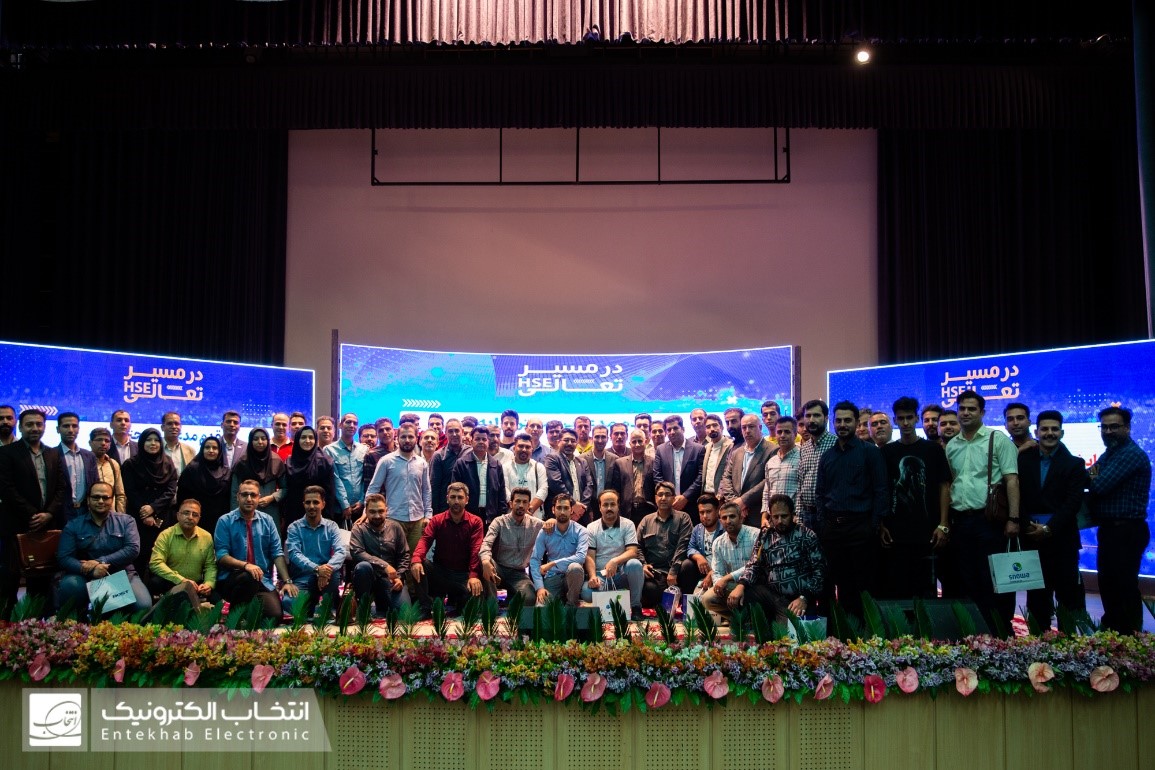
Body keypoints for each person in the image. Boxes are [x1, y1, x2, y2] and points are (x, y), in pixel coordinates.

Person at [944, 390, 1021, 632]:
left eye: (972, 409)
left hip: (989, 521)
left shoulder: (997, 439)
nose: (966, 413)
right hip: (961, 522)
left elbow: (1011, 480)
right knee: (967, 580)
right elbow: (951, 483)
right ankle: (975, 634)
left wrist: (1013, 518)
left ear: (982, 412)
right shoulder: (952, 445)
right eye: (962, 408)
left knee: (992, 581)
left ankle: (999, 633)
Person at [815, 401, 888, 619]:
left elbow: (881, 490)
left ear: (857, 422)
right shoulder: (828, 456)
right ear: (833, 422)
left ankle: (866, 633)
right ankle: (844, 633)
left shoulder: (870, 452)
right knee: (840, 584)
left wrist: (873, 525)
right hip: (832, 531)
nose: (842, 424)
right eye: (838, 420)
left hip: (861, 529)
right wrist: (823, 524)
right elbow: (820, 494)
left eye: (847, 420)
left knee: (864, 587)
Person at [1018, 410, 1088, 631]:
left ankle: (1069, 646)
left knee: (1067, 596)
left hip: (1062, 539)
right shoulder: (1022, 460)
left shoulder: (1075, 464)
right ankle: (1039, 644)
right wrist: (1027, 524)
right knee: (1037, 597)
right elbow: (1016, 496)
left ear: (1062, 433)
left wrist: (1048, 528)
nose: (1049, 433)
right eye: (1045, 429)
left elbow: (1072, 503)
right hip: (1031, 537)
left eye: (1054, 429)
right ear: (1036, 432)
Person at [878, 397, 951, 600]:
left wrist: (944, 523)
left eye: (909, 417)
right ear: (895, 420)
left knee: (926, 591)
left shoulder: (933, 449)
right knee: (898, 591)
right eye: (901, 418)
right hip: (896, 534)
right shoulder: (887, 452)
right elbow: (882, 490)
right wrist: (881, 524)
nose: (906, 423)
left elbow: (944, 486)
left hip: (928, 533)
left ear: (917, 418)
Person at [1088, 406, 1152, 634]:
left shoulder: (1129, 454)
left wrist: (1091, 476)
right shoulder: (1111, 453)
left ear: (1127, 427)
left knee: (1123, 587)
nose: (1108, 431)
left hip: (1126, 531)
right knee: (1110, 585)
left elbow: (1098, 485)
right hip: (1112, 530)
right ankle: (1116, 634)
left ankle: (1129, 636)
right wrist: (1091, 475)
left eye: (1114, 426)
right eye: (1104, 427)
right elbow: (1090, 474)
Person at [0, 408, 68, 607]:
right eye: (29, 424)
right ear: (20, 427)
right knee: (9, 580)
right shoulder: (6, 453)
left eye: (39, 424)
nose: (35, 428)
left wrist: (49, 514)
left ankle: (37, 622)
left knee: (41, 581)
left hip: (46, 526)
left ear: (45, 427)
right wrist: (34, 514)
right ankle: (8, 623)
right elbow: (7, 489)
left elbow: (62, 487)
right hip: (17, 525)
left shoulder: (53, 453)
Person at [55, 482, 152, 618]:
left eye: (105, 497)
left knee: (143, 606)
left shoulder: (127, 521)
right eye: (96, 497)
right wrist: (91, 570)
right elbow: (64, 557)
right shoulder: (74, 525)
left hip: (121, 574)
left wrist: (100, 561)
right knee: (70, 586)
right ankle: (75, 624)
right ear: (88, 500)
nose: (101, 501)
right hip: (85, 576)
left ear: (112, 500)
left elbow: (132, 549)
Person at [729, 494, 825, 622]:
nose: (779, 521)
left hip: (799, 599)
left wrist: (805, 598)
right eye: (775, 517)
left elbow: (820, 571)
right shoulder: (765, 536)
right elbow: (754, 564)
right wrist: (741, 585)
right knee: (742, 595)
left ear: (792, 515)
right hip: (772, 596)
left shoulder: (806, 535)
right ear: (770, 517)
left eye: (784, 516)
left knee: (790, 632)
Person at [215, 479, 298, 620]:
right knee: (248, 577)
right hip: (233, 579)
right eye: (244, 495)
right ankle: (235, 617)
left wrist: (287, 581)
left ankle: (248, 608)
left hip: (261, 580)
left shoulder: (268, 521)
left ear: (259, 497)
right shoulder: (225, 521)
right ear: (238, 497)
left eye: (253, 495)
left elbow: (277, 553)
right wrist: (246, 566)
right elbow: (221, 556)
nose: (249, 499)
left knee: (274, 616)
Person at [410, 482, 484, 617]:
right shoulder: (437, 520)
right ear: (447, 499)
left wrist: (473, 576)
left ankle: (457, 601)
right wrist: (416, 559)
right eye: (453, 497)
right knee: (418, 564)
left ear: (467, 500)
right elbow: (425, 540)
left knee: (469, 610)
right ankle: (425, 607)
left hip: (463, 575)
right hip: (441, 573)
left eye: (460, 497)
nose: (456, 501)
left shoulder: (476, 522)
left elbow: (476, 550)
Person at [120, 427, 179, 580]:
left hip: (162, 517)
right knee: (139, 556)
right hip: (137, 517)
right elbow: (130, 491)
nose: (153, 443)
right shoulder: (131, 464)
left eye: (156, 440)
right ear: (141, 443)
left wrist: (153, 508)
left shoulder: (167, 463)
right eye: (148, 440)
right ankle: (137, 587)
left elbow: (171, 490)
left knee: (161, 556)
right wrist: (144, 512)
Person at [367, 423, 433, 554]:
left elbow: (426, 491)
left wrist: (428, 515)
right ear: (397, 438)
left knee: (415, 559)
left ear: (417, 439)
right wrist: (366, 511)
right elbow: (373, 488)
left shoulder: (422, 463)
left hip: (418, 520)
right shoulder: (386, 461)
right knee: (393, 558)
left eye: (411, 437)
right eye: (403, 437)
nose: (407, 440)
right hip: (394, 519)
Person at [284, 485, 346, 618]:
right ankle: (312, 607)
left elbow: (341, 551)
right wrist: (317, 569)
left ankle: (327, 606)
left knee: (333, 574)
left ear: (323, 504)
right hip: (303, 580)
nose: (311, 506)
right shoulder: (294, 527)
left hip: (326, 579)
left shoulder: (332, 526)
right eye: (308, 502)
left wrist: (326, 569)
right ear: (303, 504)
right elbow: (294, 554)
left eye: (316, 502)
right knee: (288, 602)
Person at [580, 489, 645, 618]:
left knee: (635, 564)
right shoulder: (591, 527)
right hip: (601, 577)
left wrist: (615, 561)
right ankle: (609, 601)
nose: (609, 508)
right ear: (600, 507)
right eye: (605, 505)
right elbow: (590, 556)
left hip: (622, 574)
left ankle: (636, 606)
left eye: (612, 504)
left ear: (618, 506)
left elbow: (633, 551)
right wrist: (592, 576)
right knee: (587, 593)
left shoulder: (628, 525)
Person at [149, 498, 218, 609]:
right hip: (172, 582)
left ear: (199, 518)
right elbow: (155, 563)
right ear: (178, 515)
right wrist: (181, 580)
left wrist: (208, 584)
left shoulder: (206, 537)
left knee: (218, 601)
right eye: (186, 513)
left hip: (197, 586)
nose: (190, 517)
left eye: (195, 515)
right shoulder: (166, 535)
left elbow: (210, 565)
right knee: (155, 582)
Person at [349, 493, 411, 616]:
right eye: (372, 512)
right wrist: (384, 565)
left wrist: (399, 577)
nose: (377, 515)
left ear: (386, 511)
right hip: (368, 579)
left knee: (403, 614)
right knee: (363, 567)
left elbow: (404, 555)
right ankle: (364, 607)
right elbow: (357, 552)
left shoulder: (395, 527)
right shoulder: (359, 528)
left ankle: (383, 603)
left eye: (381, 511)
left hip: (390, 580)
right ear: (366, 511)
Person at [479, 486, 543, 605]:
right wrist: (486, 561)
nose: (521, 505)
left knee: (529, 599)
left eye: (524, 502)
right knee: (484, 561)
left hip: (519, 574)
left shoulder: (536, 524)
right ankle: (491, 605)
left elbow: (553, 527)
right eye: (517, 501)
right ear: (510, 504)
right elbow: (486, 544)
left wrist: (552, 521)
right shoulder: (499, 522)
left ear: (529, 505)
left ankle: (510, 600)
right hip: (498, 569)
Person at [636, 482, 692, 608]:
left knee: (688, 565)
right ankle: (667, 601)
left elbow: (683, 546)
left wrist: (673, 571)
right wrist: (643, 565)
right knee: (649, 590)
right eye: (660, 494)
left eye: (667, 495)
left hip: (678, 571)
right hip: (655, 573)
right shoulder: (646, 520)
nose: (663, 498)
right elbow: (638, 546)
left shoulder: (683, 518)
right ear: (655, 498)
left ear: (674, 498)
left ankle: (684, 604)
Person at [699, 499, 759, 612]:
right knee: (708, 599)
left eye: (732, 516)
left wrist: (727, 578)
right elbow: (717, 572)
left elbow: (755, 566)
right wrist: (719, 585)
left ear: (741, 518)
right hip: (732, 586)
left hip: (754, 584)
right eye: (724, 518)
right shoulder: (718, 543)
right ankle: (736, 619)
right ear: (720, 521)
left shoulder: (755, 535)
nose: (728, 521)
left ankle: (749, 618)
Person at [529, 493, 588, 606]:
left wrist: (553, 563)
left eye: (566, 508)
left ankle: (571, 604)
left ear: (571, 510)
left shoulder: (581, 531)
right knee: (541, 608)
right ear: (553, 510)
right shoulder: (545, 531)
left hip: (572, 578)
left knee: (575, 567)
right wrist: (540, 587)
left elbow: (581, 558)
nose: (562, 511)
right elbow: (535, 559)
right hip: (552, 577)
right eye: (559, 508)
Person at [719, 414, 773, 527]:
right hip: (736, 514)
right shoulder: (737, 452)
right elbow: (726, 478)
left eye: (751, 426)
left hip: (757, 514)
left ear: (760, 427)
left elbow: (768, 481)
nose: (747, 431)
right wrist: (735, 503)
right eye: (744, 427)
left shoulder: (772, 450)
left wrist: (743, 501)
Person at [281, 426, 337, 535]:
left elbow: (329, 493)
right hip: (294, 513)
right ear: (297, 440)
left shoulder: (324, 462)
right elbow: (287, 490)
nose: (307, 441)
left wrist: (328, 519)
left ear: (316, 440)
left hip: (318, 514)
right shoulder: (289, 462)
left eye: (311, 438)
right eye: (303, 437)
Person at [230, 427, 285, 531]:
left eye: (263, 439)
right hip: (245, 512)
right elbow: (234, 493)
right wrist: (235, 517)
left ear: (268, 441)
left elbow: (286, 488)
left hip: (270, 510)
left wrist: (272, 497)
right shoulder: (242, 463)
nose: (260, 442)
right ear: (250, 441)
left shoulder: (276, 461)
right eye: (255, 439)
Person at [451, 425, 508, 524]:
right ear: (471, 441)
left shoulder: (496, 465)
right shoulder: (461, 464)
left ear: (488, 442)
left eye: (484, 439)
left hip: (491, 518)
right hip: (467, 517)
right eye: (477, 439)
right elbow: (455, 491)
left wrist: (502, 516)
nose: (481, 442)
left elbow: (501, 494)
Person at [654, 415, 704, 524]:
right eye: (669, 430)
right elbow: (657, 476)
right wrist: (669, 497)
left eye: (675, 428)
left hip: (691, 504)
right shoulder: (660, 450)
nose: (672, 432)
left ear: (683, 429)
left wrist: (685, 497)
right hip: (668, 505)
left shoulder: (698, 449)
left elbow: (701, 476)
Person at [177, 436, 233, 535]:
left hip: (220, 520)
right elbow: (182, 497)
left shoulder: (226, 472)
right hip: (195, 519)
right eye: (207, 447)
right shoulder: (191, 470)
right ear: (202, 449)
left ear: (220, 451)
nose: (211, 450)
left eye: (215, 448)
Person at [797, 399, 836, 530]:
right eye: (808, 416)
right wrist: (799, 516)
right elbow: (800, 483)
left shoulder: (836, 444)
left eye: (816, 415)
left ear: (826, 418)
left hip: (828, 515)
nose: (811, 420)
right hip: (807, 515)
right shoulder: (804, 448)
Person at [324, 413, 368, 529]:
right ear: (340, 425)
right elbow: (335, 479)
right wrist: (345, 505)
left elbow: (365, 478)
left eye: (355, 423)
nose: (352, 425)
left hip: (360, 508)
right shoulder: (329, 450)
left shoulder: (363, 449)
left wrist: (362, 501)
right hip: (339, 509)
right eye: (348, 422)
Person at [54, 412, 98, 524]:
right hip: (61, 512)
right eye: (66, 426)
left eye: (74, 426)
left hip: (86, 511)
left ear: (78, 429)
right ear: (58, 429)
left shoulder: (89, 456)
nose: (70, 430)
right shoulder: (51, 454)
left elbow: (95, 484)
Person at [676, 492, 722, 596]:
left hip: (721, 570)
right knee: (687, 565)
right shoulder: (697, 529)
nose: (705, 516)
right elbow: (690, 548)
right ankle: (687, 599)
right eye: (702, 512)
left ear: (717, 511)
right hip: (703, 569)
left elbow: (727, 559)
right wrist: (698, 557)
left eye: (709, 511)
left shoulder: (725, 529)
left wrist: (712, 573)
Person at [609, 429, 657, 525]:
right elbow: (615, 490)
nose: (637, 444)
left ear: (646, 442)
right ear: (629, 444)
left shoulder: (654, 462)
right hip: (627, 510)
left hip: (649, 509)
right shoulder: (620, 463)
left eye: (640, 441)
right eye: (634, 442)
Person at [761, 416, 802, 525]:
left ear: (795, 434)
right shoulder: (771, 461)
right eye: (779, 432)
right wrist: (764, 517)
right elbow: (766, 492)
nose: (782, 435)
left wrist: (797, 516)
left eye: (787, 432)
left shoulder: (803, 458)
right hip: (773, 520)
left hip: (794, 520)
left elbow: (803, 491)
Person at [543, 428, 592, 521]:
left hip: (581, 514)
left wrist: (581, 509)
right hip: (560, 512)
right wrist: (573, 504)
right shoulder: (552, 458)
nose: (569, 443)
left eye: (573, 441)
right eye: (566, 440)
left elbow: (589, 485)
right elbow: (556, 483)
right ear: (558, 442)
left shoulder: (582, 462)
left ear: (577, 443)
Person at [503, 433, 547, 518]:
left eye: (527, 447)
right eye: (520, 446)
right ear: (514, 448)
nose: (524, 449)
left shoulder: (539, 467)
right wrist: (517, 508)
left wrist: (529, 510)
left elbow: (543, 490)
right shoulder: (505, 467)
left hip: (534, 516)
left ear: (532, 449)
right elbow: (505, 490)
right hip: (511, 517)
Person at [583, 425, 619, 519]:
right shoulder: (582, 459)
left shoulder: (615, 459)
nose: (600, 440)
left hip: (609, 506)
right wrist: (587, 508)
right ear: (591, 438)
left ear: (608, 439)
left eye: (603, 437)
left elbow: (617, 486)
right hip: (589, 507)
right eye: (597, 437)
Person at [89, 427, 127, 513]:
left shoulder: (113, 464)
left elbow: (120, 495)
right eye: (99, 440)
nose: (103, 443)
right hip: (90, 515)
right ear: (90, 443)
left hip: (111, 515)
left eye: (107, 441)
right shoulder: (85, 462)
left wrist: (120, 516)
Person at [699, 413, 733, 497]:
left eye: (715, 425)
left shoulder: (731, 445)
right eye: (708, 427)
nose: (712, 429)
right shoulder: (706, 447)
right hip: (706, 493)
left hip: (722, 495)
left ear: (721, 427)